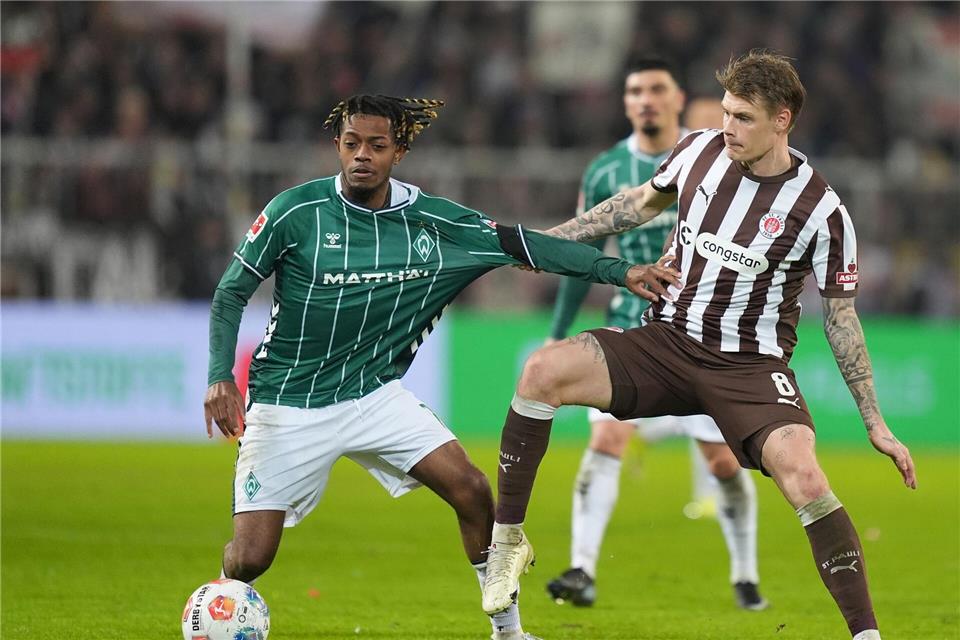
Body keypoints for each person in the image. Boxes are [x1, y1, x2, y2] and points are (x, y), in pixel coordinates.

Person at [204, 94, 675, 640]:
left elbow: (527, 245)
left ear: (398, 152)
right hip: (287, 400)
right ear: (337, 144)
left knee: (472, 490)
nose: (362, 155)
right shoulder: (295, 211)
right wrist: (220, 375)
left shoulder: (436, 224)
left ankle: (508, 632)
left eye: (377, 146)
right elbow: (230, 293)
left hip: (372, 395)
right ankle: (221, 603)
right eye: (352, 143)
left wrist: (620, 272)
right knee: (251, 560)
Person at [482, 52, 916, 640]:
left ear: (782, 120)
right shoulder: (698, 151)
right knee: (540, 370)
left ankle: (867, 634)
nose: (727, 128)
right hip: (666, 341)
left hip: (749, 365)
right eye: (726, 114)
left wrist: (875, 420)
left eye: (742, 118)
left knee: (806, 478)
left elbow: (842, 319)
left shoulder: (823, 211)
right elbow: (635, 205)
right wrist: (543, 244)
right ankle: (506, 542)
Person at [544, 58, 767, 611]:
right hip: (630, 324)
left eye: (656, 90)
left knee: (721, 462)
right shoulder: (604, 170)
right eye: (635, 91)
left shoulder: (713, 156)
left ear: (677, 99)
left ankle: (745, 572)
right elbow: (584, 255)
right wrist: (557, 331)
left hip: (702, 331)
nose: (645, 99)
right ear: (626, 104)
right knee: (607, 439)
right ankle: (581, 569)